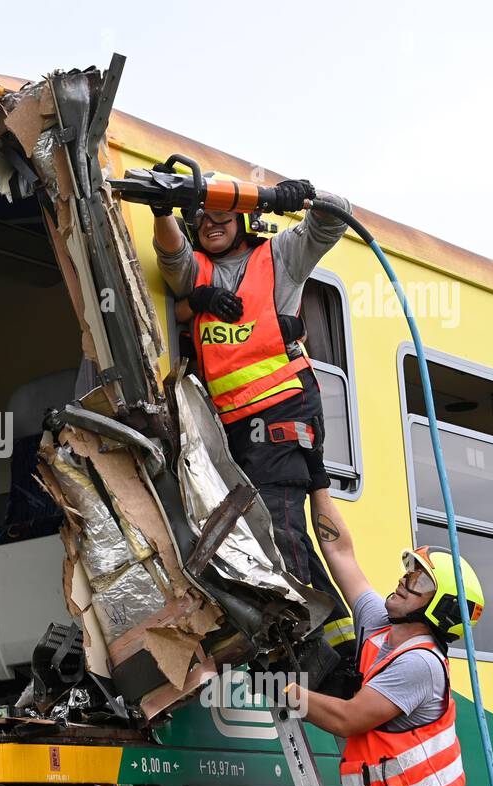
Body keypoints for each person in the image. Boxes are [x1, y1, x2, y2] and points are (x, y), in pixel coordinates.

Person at [151, 167, 356, 674]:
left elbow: (336, 217)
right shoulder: (194, 271)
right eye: (202, 217)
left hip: (283, 408)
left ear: (245, 219)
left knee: (276, 532)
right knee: (283, 527)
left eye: (223, 214)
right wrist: (160, 207)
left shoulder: (279, 257)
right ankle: (347, 642)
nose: (211, 224)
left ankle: (315, 667)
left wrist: (286, 195)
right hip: (236, 427)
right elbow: (170, 254)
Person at [286, 488, 484, 786]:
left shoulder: (420, 664)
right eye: (410, 571)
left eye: (420, 582)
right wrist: (318, 485)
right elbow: (340, 553)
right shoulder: (379, 624)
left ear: (439, 609)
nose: (405, 581)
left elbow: (347, 718)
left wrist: (284, 692)